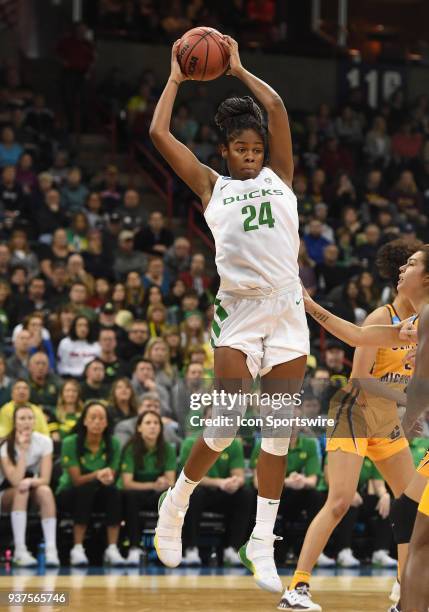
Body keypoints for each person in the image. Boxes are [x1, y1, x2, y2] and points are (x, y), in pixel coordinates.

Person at [149, 36, 309, 592]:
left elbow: (278, 110)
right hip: (238, 311)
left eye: (256, 149)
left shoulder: (280, 177)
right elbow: (158, 135)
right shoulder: (210, 185)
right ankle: (177, 501)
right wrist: (175, 78)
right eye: (241, 148)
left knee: (278, 435)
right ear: (225, 151)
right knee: (225, 421)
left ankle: (261, 542)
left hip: (287, 308)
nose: (250, 154)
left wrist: (238, 69)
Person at [282, 245, 429, 612]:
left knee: (409, 505)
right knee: (340, 502)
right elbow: (360, 376)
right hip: (356, 413)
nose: (402, 271)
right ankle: (297, 588)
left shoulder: (419, 322)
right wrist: (310, 304)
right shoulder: (388, 316)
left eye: (411, 264)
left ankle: (403, 591)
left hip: (388, 422)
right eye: (404, 264)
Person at [56, 401, 125, 566]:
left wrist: (108, 477)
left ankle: (112, 548)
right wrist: (97, 474)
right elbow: (76, 480)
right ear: (85, 421)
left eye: (101, 418)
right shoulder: (70, 442)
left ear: (106, 423)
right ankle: (77, 548)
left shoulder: (113, 443)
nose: (97, 422)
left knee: (113, 491)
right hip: (69, 494)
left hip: (99, 493)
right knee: (85, 489)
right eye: (93, 418)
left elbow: (112, 476)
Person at [0, 405, 59, 566]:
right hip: (5, 494)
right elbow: (15, 481)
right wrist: (24, 452)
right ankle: (20, 550)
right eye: (22, 418)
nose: (27, 422)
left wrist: (31, 481)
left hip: (31, 487)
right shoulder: (5, 445)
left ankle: (51, 549)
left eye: (30, 418)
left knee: (45, 491)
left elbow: (45, 479)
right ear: (15, 422)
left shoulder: (44, 442)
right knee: (21, 490)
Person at [121, 410, 176, 565]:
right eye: (148, 423)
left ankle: (169, 547)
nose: (152, 427)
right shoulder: (131, 449)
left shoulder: (168, 448)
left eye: (156, 423)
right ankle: (133, 547)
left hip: (158, 494)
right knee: (130, 497)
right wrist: (153, 484)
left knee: (172, 497)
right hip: (137, 494)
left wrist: (164, 483)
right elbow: (127, 483)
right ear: (139, 428)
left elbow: (171, 480)